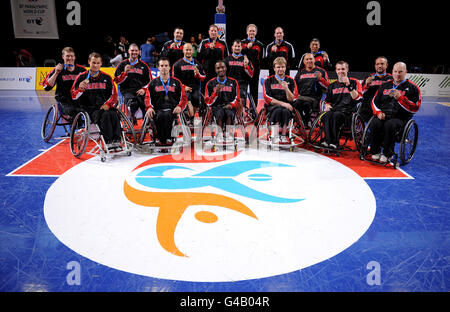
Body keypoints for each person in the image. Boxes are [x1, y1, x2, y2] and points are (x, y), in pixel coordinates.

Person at [369, 62, 421, 163]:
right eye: (395, 71)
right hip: (384, 114)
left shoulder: (413, 88)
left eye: (400, 71)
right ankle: (375, 151)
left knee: (390, 125)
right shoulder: (385, 85)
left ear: (405, 72)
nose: (397, 74)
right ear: (392, 72)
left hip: (400, 117)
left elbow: (415, 108)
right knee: (374, 123)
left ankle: (387, 153)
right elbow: (374, 101)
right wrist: (378, 112)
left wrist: (401, 99)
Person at [71, 52, 120, 148]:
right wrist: (80, 89)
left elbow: (114, 95)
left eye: (98, 63)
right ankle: (108, 141)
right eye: (93, 63)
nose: (96, 65)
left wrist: (108, 104)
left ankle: (117, 139)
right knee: (106, 115)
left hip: (105, 106)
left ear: (101, 63)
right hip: (89, 109)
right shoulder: (81, 77)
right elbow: (73, 96)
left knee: (114, 114)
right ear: (89, 62)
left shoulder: (107, 77)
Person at [145, 57, 187, 145]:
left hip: (172, 110)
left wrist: (180, 106)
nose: (164, 68)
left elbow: (183, 98)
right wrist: (149, 107)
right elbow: (147, 98)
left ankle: (168, 138)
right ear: (158, 67)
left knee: (167, 114)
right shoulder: (153, 83)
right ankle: (160, 138)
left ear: (169, 67)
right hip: (157, 110)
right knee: (160, 115)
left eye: (166, 65)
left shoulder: (177, 82)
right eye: (162, 66)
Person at [321, 61, 362, 149]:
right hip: (334, 110)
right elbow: (328, 101)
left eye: (343, 69)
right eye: (338, 69)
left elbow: (358, 98)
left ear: (347, 69)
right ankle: (327, 141)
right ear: (336, 71)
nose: (341, 71)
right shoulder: (332, 86)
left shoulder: (354, 82)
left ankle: (334, 143)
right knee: (326, 115)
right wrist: (327, 105)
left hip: (348, 113)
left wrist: (348, 85)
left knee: (336, 115)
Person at [262, 57, 299, 144]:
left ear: (285, 68)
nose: (280, 69)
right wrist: (283, 104)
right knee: (278, 110)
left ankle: (283, 135)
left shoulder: (291, 80)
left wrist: (286, 89)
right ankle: (275, 135)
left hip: (287, 107)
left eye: (282, 67)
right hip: (273, 106)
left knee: (286, 111)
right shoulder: (268, 80)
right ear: (274, 68)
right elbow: (267, 98)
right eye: (278, 67)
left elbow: (292, 98)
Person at [114, 43, 153, 124]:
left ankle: (147, 124)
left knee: (146, 102)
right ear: (128, 51)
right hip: (127, 91)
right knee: (132, 102)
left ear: (139, 52)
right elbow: (117, 81)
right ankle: (132, 118)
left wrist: (144, 89)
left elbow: (150, 82)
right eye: (132, 50)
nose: (134, 52)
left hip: (140, 91)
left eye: (136, 51)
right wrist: (124, 73)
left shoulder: (144, 66)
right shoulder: (122, 64)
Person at [43, 47, 86, 118]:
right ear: (63, 57)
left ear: (74, 57)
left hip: (78, 99)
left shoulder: (81, 69)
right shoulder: (57, 69)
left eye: (71, 56)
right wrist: (56, 73)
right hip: (63, 100)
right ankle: (78, 127)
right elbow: (46, 87)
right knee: (73, 111)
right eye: (67, 56)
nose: (70, 58)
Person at [204, 60, 240, 143]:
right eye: (218, 68)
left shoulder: (233, 82)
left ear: (226, 68)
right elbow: (208, 102)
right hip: (216, 107)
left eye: (222, 67)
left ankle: (228, 134)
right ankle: (219, 134)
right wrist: (215, 92)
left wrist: (231, 104)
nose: (220, 69)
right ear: (215, 70)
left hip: (229, 106)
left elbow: (237, 98)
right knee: (219, 113)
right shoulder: (210, 83)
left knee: (229, 113)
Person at [172, 43, 206, 122]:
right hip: (183, 88)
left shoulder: (198, 64)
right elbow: (174, 81)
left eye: (190, 50)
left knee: (196, 98)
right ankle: (192, 118)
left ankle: (191, 118)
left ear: (192, 51)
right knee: (187, 97)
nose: (188, 51)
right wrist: (183, 87)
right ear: (183, 51)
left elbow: (203, 77)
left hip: (195, 88)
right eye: (186, 50)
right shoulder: (177, 65)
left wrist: (198, 75)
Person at [293, 52, 329, 126]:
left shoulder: (321, 71)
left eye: (311, 59)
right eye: (307, 59)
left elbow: (328, 87)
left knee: (307, 105)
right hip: (301, 97)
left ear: (314, 60)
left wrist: (321, 79)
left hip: (314, 98)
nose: (309, 61)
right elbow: (294, 86)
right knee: (295, 104)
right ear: (304, 61)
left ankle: (306, 123)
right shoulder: (300, 72)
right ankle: (301, 122)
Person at [223, 39, 254, 113]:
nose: (237, 48)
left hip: (241, 84)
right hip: (229, 84)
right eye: (235, 46)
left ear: (241, 48)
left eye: (239, 46)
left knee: (240, 99)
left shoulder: (245, 59)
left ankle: (240, 119)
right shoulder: (226, 59)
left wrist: (246, 66)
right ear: (232, 47)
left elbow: (251, 74)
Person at [360, 56, 393, 122]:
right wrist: (366, 85)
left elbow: (393, 94)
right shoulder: (370, 77)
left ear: (386, 65)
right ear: (375, 66)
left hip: (384, 106)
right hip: (368, 106)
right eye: (377, 64)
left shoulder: (391, 78)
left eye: (382, 64)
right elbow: (361, 93)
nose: (379, 66)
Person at [241, 24, 264, 105]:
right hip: (243, 71)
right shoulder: (242, 42)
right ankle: (242, 111)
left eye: (253, 31)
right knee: (242, 91)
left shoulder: (260, 45)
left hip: (255, 72)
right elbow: (238, 54)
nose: (251, 32)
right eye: (250, 31)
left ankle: (253, 112)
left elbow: (261, 59)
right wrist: (247, 48)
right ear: (247, 32)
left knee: (254, 91)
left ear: (256, 32)